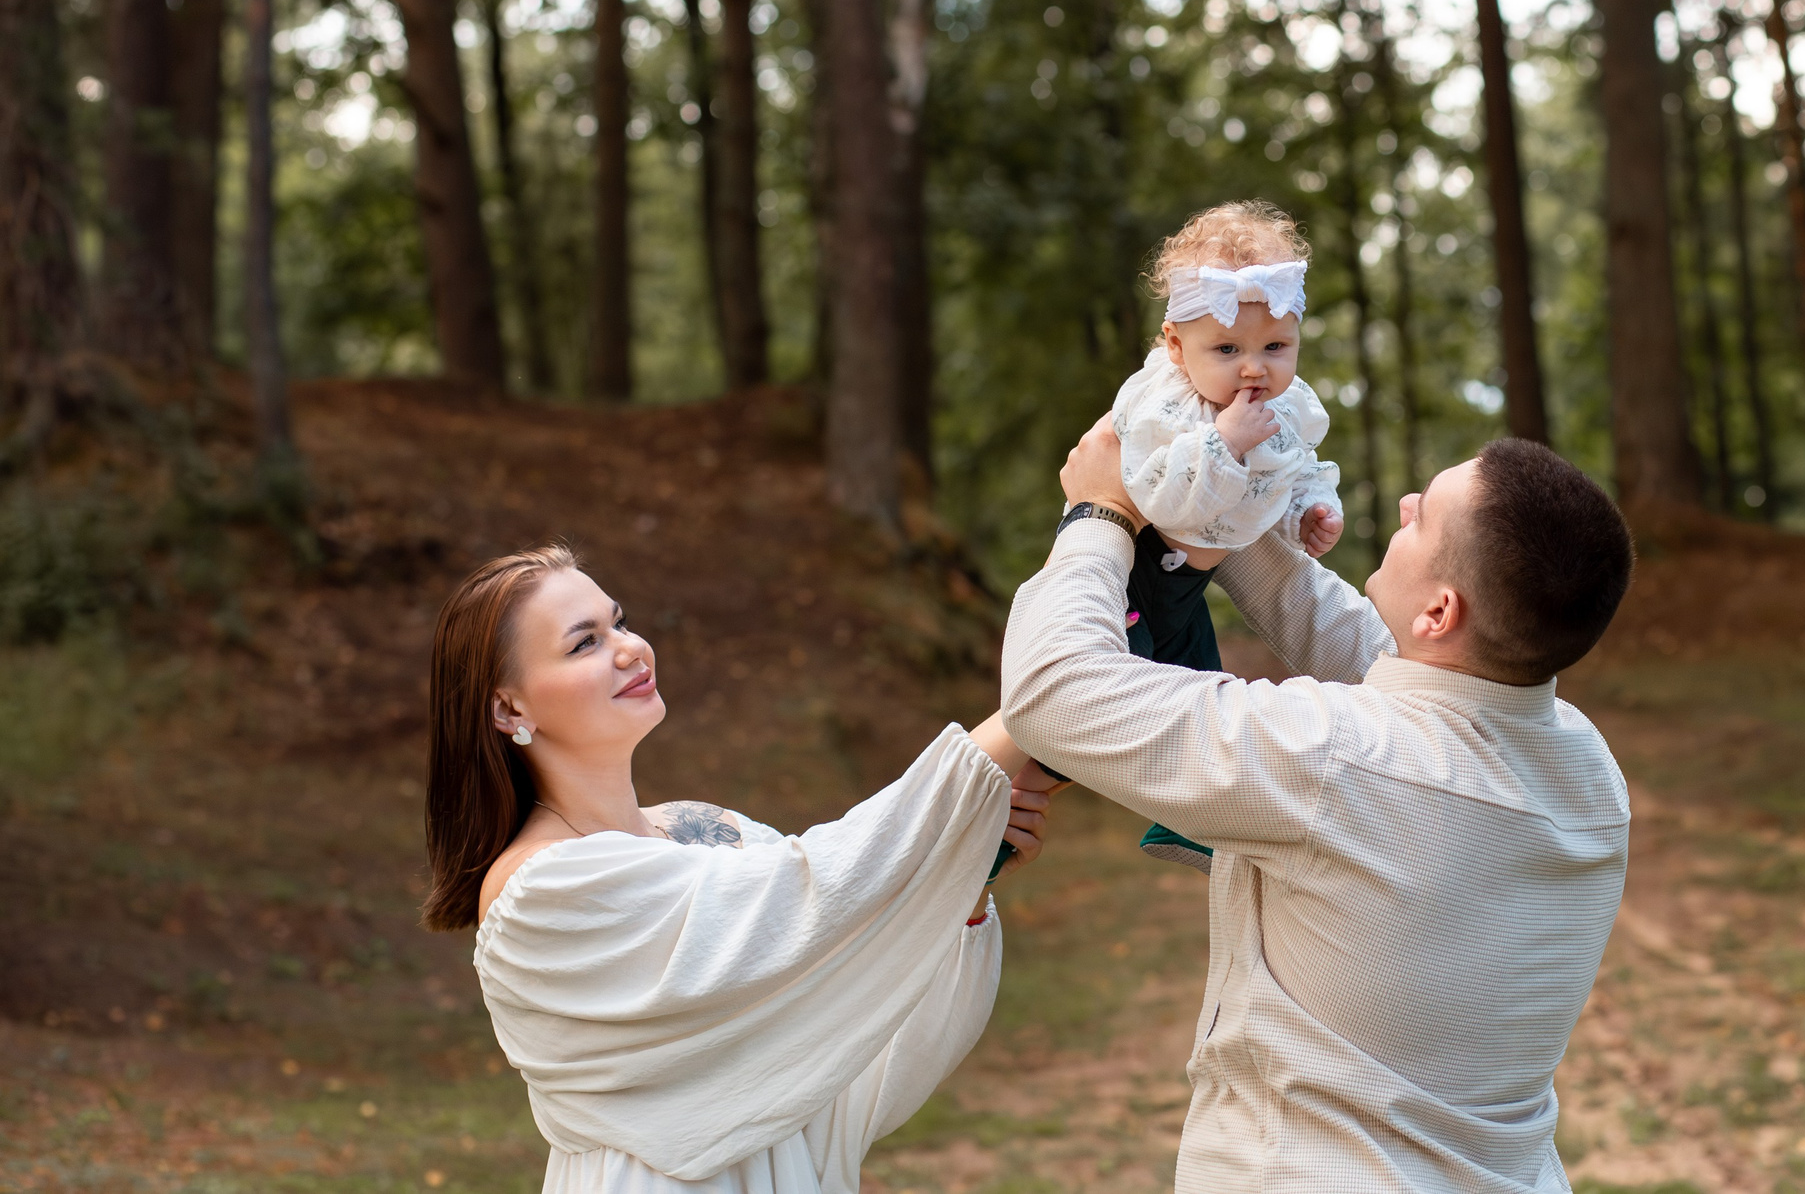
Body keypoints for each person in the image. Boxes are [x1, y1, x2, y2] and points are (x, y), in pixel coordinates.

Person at [1004, 423, 1636, 1192]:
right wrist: (1203, 495)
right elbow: (1365, 649)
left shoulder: (1336, 763)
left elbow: (1054, 693)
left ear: (1439, 612)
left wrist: (1098, 514)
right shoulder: (1589, 769)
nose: (1404, 503)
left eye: (1423, 515)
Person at [421, 544, 1056, 1193]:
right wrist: (1039, 704)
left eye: (620, 621)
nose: (630, 648)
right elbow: (810, 893)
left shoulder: (706, 829)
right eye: (584, 643)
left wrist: (968, 881)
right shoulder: (541, 888)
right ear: (509, 709)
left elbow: (849, 1028)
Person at [1105, 199, 1344, 869]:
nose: (1253, 368)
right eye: (1228, 349)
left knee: (1198, 692)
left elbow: (1298, 468)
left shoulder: (1283, 407)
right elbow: (1161, 494)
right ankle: (988, 828)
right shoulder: (1168, 406)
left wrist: (1310, 514)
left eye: (1275, 347)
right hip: (1131, 569)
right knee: (1090, 708)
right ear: (1177, 347)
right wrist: (1220, 445)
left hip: (1185, 579)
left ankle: (1188, 821)